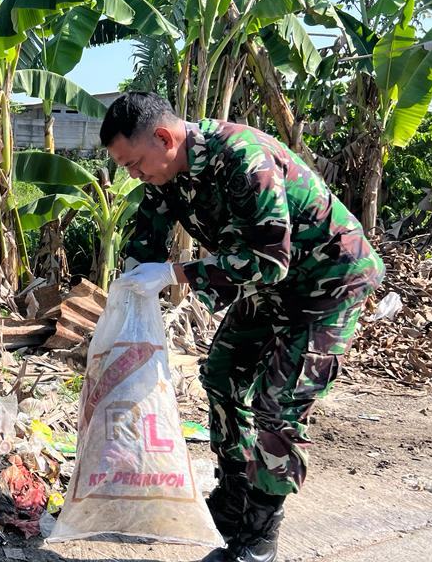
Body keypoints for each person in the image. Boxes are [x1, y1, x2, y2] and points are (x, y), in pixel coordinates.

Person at [102, 92, 383, 562]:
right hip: (269, 284)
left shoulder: (242, 159)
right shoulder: (165, 172)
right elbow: (148, 234)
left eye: (134, 163)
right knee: (221, 375)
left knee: (280, 404)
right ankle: (233, 499)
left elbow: (271, 259)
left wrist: (177, 274)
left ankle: (258, 536)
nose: (134, 174)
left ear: (165, 138)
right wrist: (130, 281)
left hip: (327, 281)